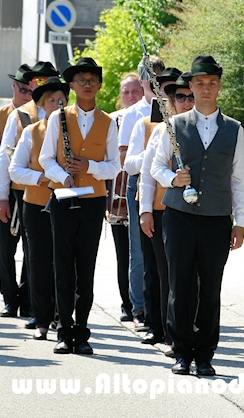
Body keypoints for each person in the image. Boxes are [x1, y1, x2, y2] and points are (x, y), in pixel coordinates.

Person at [151, 55, 244, 377]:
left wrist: (239, 221)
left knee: (210, 288)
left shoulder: (234, 128)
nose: (206, 89)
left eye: (212, 83)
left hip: (217, 217)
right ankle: (181, 351)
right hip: (179, 215)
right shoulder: (175, 125)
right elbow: (156, 166)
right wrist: (172, 179)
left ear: (218, 86)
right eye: (200, 84)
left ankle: (205, 354)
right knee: (180, 285)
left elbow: (237, 179)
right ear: (190, 87)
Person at [40, 57, 120, 355]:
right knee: (63, 264)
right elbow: (46, 159)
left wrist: (89, 166)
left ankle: (82, 331)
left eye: (92, 80)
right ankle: (63, 330)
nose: (87, 85)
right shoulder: (56, 118)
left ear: (99, 86)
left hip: (93, 201)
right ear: (71, 86)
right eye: (81, 80)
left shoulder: (109, 122)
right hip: (63, 197)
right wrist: (63, 177)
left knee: (86, 267)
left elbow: (114, 166)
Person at [0, 60, 59, 325]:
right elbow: (4, 158)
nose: (41, 85)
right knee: (9, 246)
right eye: (37, 81)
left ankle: (34, 303)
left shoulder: (63, 113)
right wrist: (0, 196)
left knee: (38, 252)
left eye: (47, 80)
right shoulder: (19, 114)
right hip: (19, 190)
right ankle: (11, 298)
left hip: (51, 192)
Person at [8, 76, 70, 340]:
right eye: (52, 101)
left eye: (62, 101)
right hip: (35, 204)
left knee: (65, 261)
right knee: (39, 261)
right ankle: (41, 317)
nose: (58, 105)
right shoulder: (31, 132)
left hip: (67, 203)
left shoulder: (75, 129)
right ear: (42, 105)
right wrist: (40, 177)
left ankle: (62, 315)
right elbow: (15, 170)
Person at [125, 68, 182, 345]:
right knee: (152, 267)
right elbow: (131, 165)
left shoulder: (191, 124)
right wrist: (153, 152)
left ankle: (175, 326)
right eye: (168, 93)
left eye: (178, 94)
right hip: (153, 203)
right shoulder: (145, 124)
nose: (172, 99)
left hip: (181, 206)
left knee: (175, 271)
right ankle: (154, 324)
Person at [139, 73, 194, 356]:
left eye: (190, 96)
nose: (186, 102)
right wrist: (145, 210)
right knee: (165, 274)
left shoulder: (209, 128)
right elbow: (149, 174)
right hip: (164, 210)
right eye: (180, 97)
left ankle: (188, 330)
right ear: (171, 102)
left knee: (190, 276)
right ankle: (166, 330)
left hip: (199, 212)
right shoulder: (163, 130)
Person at [120, 56, 165, 331]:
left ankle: (164, 309)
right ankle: (139, 307)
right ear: (143, 81)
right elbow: (127, 161)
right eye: (151, 77)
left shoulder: (175, 109)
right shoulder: (134, 115)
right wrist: (155, 153)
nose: (155, 83)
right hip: (140, 184)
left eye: (159, 76)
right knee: (139, 253)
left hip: (171, 185)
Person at [0, 64, 34, 315]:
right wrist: (13, 149)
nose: (27, 95)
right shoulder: (0, 115)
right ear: (13, 87)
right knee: (6, 244)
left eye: (31, 90)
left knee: (31, 246)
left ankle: (26, 297)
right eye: (23, 90)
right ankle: (8, 296)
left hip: (32, 188)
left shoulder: (39, 113)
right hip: (7, 187)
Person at [108, 72, 143, 322]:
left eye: (135, 91)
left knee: (144, 251)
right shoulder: (112, 121)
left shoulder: (150, 115)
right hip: (117, 192)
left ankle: (145, 301)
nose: (130, 96)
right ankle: (126, 302)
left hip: (143, 189)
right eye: (126, 92)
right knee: (125, 251)